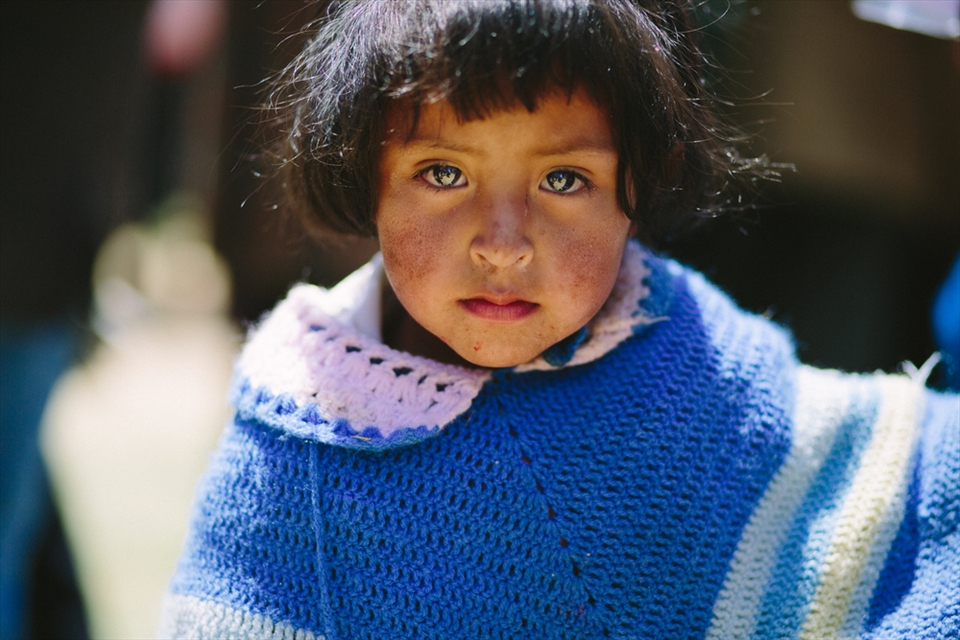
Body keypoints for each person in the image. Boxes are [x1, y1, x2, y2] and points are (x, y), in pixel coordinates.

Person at [158, 1, 959, 638]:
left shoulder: (699, 370)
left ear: (641, 186)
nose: (503, 247)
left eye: (565, 181)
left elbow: (887, 495)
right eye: (443, 172)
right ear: (364, 175)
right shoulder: (297, 449)